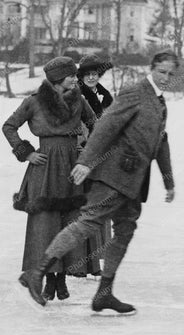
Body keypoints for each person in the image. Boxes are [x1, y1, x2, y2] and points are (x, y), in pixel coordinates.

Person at [18, 50, 177, 315]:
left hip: (135, 181)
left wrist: (168, 180)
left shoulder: (160, 104)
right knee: (88, 222)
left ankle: (104, 294)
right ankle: (37, 272)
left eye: (171, 74)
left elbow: (161, 142)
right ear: (151, 69)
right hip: (113, 174)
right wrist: (86, 161)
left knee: (124, 231)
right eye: (162, 72)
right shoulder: (134, 92)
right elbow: (104, 127)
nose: (166, 77)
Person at [3, 56, 96, 301]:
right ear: (57, 80)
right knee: (44, 224)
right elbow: (9, 126)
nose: (76, 80)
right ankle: (47, 279)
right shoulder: (33, 102)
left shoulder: (80, 100)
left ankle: (61, 279)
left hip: (71, 165)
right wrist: (26, 152)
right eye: (71, 76)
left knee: (69, 221)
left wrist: (85, 153)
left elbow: (95, 126)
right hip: (44, 167)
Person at [73, 54, 115, 277]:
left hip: (101, 156)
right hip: (81, 154)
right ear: (81, 75)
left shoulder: (105, 96)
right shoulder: (76, 94)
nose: (92, 77)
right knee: (81, 207)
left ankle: (95, 262)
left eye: (95, 74)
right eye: (87, 74)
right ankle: (78, 262)